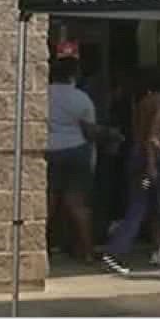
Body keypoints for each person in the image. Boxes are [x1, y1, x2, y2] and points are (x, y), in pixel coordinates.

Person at [100, 90, 160, 276]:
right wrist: (152, 165)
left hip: (136, 157)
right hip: (148, 163)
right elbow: (152, 139)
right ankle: (115, 251)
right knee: (141, 205)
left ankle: (157, 249)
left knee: (151, 206)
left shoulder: (142, 104)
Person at [47, 53, 107, 265]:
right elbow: (90, 131)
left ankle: (41, 247)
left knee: (47, 204)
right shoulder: (81, 98)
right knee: (78, 205)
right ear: (74, 74)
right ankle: (88, 251)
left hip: (49, 150)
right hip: (76, 151)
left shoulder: (41, 95)